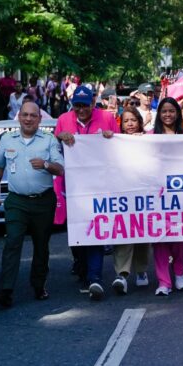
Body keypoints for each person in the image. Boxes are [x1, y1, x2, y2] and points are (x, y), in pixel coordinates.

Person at [0, 102, 64, 308]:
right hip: (16, 201)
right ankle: (5, 290)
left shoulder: (48, 140)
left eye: (33, 116)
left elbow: (60, 169)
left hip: (43, 201)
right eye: (25, 115)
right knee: (12, 241)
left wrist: (46, 164)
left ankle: (39, 286)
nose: (28, 119)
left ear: (39, 119)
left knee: (41, 245)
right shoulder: (7, 139)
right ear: (19, 117)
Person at [55, 85, 119, 300]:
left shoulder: (107, 118)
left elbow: (120, 145)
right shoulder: (64, 119)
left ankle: (95, 278)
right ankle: (82, 268)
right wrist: (60, 137)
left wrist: (112, 137)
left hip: (100, 186)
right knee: (77, 233)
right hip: (72, 188)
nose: (81, 110)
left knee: (96, 231)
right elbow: (54, 148)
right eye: (77, 106)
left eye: (85, 105)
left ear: (93, 103)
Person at [108, 107, 151, 294]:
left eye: (134, 120)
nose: (130, 124)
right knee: (124, 234)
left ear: (140, 122)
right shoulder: (114, 141)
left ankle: (141, 271)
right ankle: (122, 275)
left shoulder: (150, 139)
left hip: (145, 194)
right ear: (121, 124)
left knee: (142, 234)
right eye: (126, 121)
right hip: (123, 194)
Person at [151, 97, 183, 296]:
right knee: (159, 238)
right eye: (164, 111)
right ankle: (163, 282)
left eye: (171, 111)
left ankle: (179, 272)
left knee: (180, 236)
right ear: (159, 114)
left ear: (177, 113)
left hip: (181, 194)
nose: (168, 115)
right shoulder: (149, 136)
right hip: (156, 195)